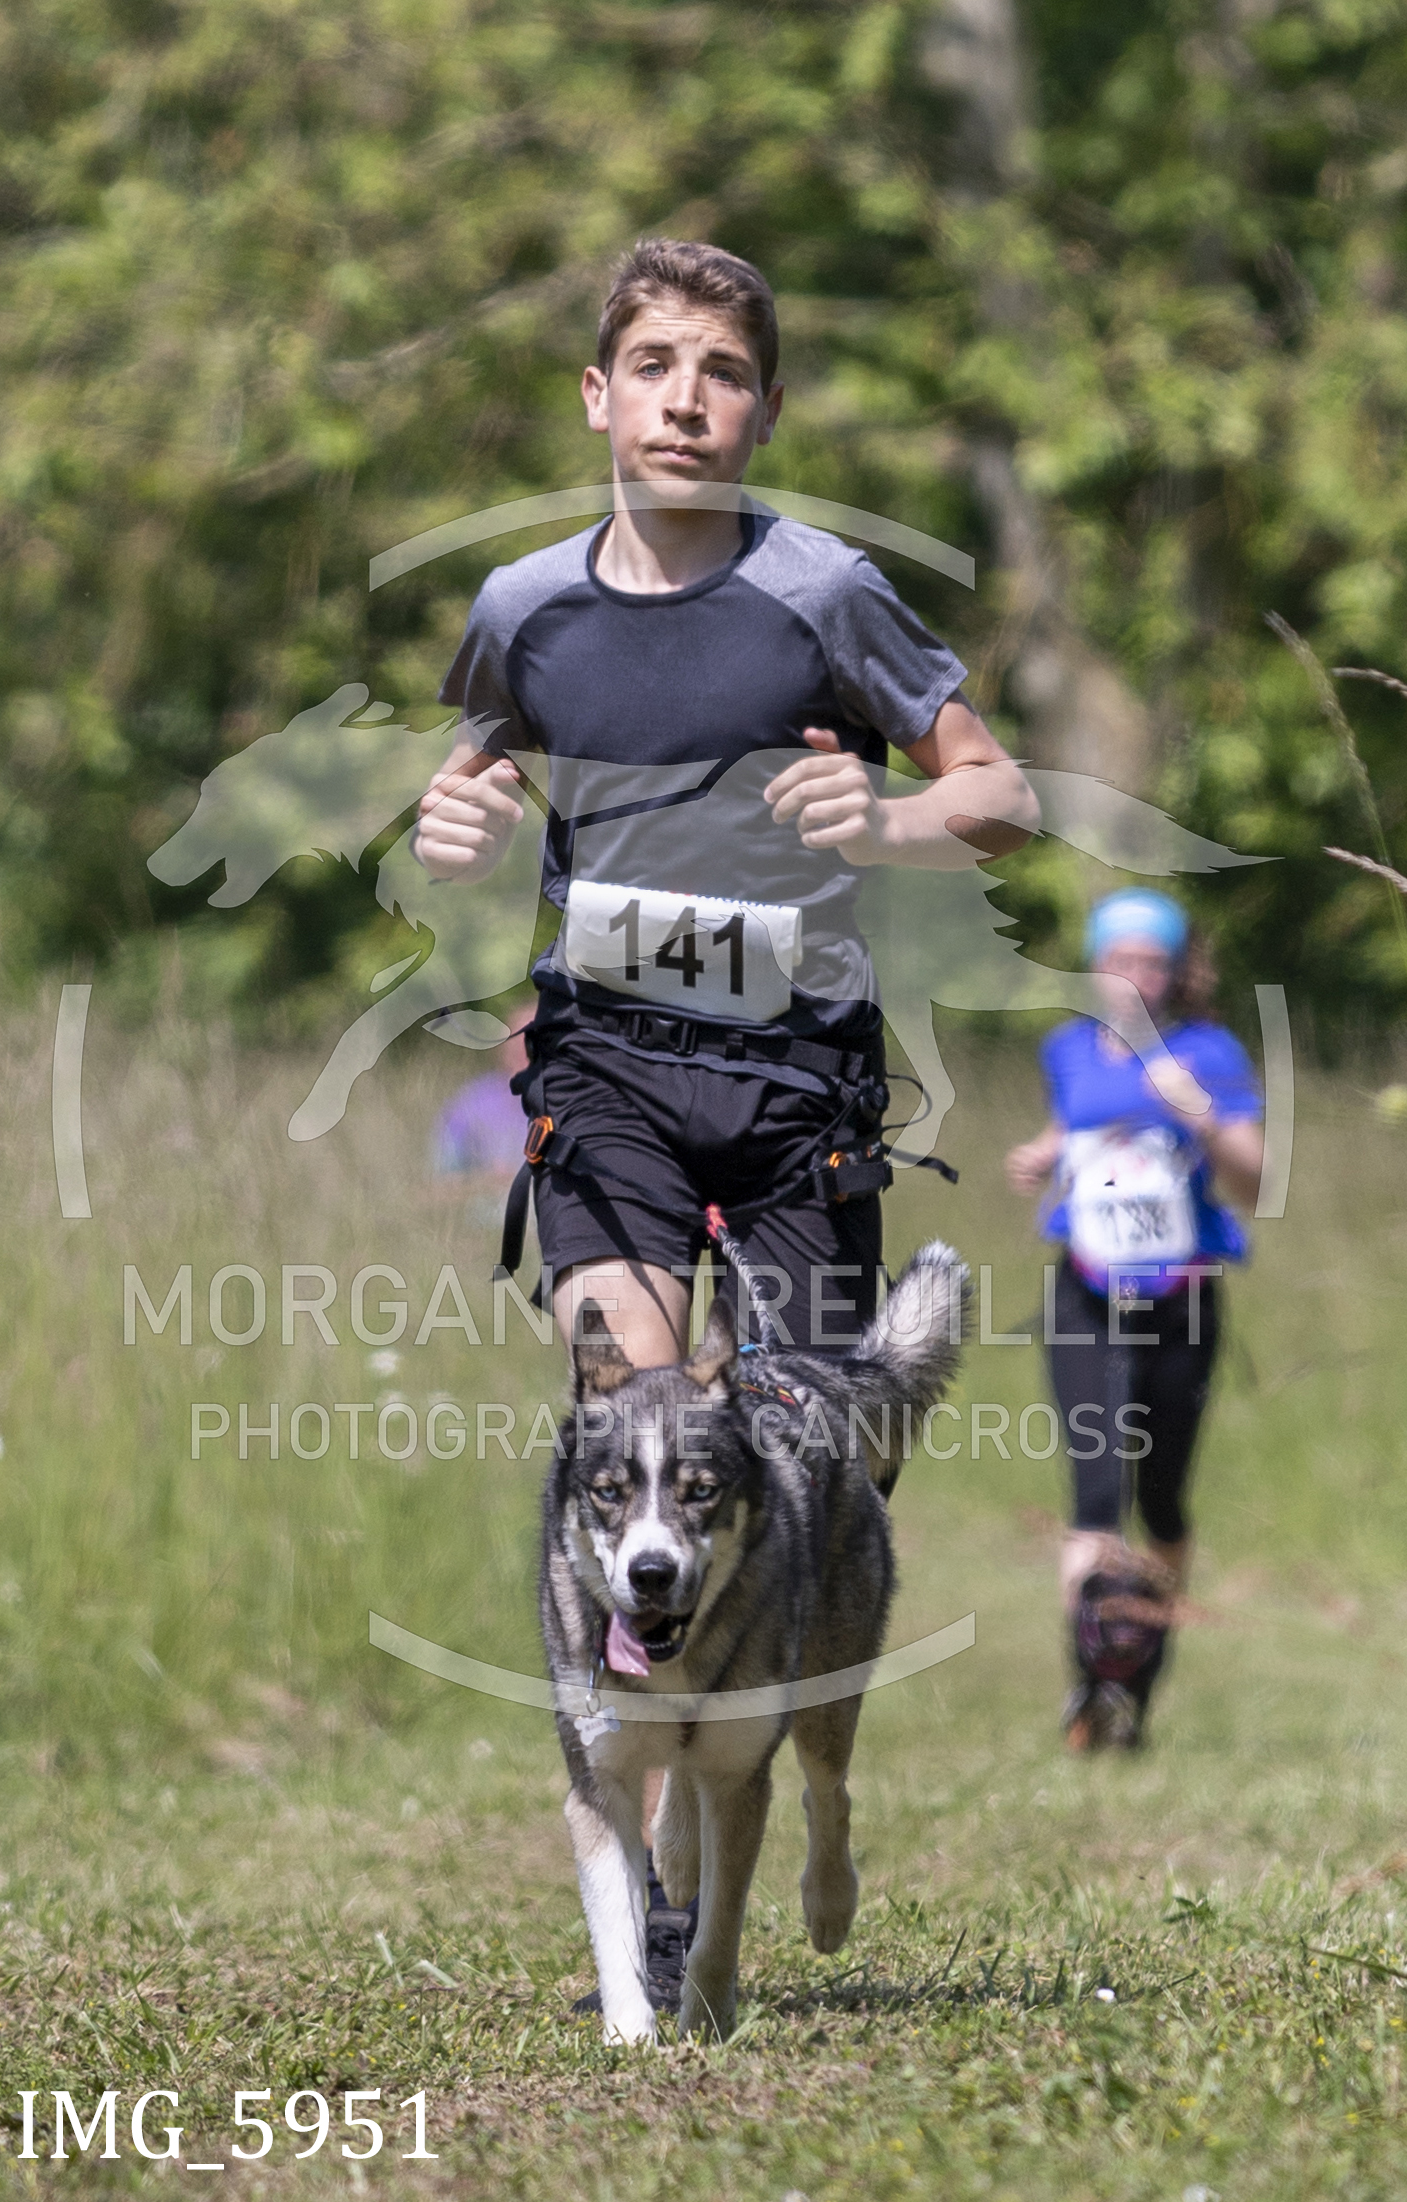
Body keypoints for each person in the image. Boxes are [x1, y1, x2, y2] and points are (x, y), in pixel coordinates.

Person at [413, 236, 1037, 2004]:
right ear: (596, 396)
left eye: (726, 371)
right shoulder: (525, 604)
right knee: (635, 1408)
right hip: (603, 1060)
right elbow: (471, 773)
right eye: (656, 364)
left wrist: (889, 822)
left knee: (813, 1456)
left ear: (763, 407)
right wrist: (448, 827)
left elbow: (998, 791)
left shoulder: (825, 591)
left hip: (795, 1088)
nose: (688, 399)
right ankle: (663, 1892)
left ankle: (742, 1802)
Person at [1004, 889, 1266, 1751]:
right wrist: (1043, 1154)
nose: (1136, 976)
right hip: (1084, 1290)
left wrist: (1202, 1115)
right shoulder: (1067, 1049)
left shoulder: (1210, 1052)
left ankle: (1141, 1674)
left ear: (1178, 971)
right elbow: (1074, 1125)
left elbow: (1255, 1180)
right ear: (1095, 966)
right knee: (1096, 1490)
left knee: (1161, 1497)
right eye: (1120, 959)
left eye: (1154, 961)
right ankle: (1092, 1685)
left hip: (1180, 1298)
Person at [430, 1005, 533, 1179]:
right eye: (517, 1043)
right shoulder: (470, 1106)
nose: (525, 1051)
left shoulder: (573, 1100)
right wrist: (485, 1181)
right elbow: (437, 1185)